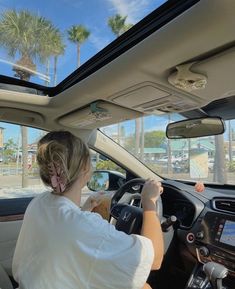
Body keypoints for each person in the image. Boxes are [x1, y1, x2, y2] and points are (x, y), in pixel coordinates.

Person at [13, 131, 164, 289]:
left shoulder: (39, 202)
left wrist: (85, 210)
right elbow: (154, 260)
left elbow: (64, 230)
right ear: (85, 167)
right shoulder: (87, 227)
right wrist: (149, 203)